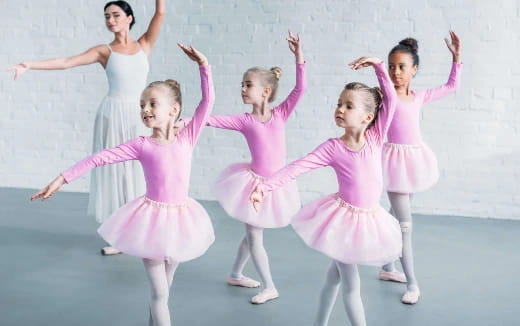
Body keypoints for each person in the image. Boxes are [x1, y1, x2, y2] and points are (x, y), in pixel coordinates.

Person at [31, 44, 214, 326]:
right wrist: (61, 178)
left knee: (163, 293)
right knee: (160, 292)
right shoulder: (141, 145)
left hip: (181, 221)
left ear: (173, 110)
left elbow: (207, 102)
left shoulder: (187, 137)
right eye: (142, 105)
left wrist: (204, 66)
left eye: (153, 103)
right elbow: (99, 158)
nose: (145, 109)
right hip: (151, 223)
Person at [250, 56, 402, 326]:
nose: (340, 109)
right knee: (351, 285)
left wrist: (379, 66)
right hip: (344, 221)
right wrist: (265, 186)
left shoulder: (376, 136)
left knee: (333, 279)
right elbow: (298, 167)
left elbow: (390, 98)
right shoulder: (333, 147)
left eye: (348, 105)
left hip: (370, 218)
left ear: (368, 117)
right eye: (338, 104)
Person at [9, 0, 166, 255]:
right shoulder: (104, 51)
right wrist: (28, 65)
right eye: (107, 16)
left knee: (140, 171)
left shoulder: (144, 44)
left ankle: (144, 231)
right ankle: (121, 237)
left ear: (129, 17)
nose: (111, 20)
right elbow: (66, 62)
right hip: (112, 115)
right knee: (117, 173)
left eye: (116, 15)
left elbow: (160, 12)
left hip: (139, 115)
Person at [206, 31, 305, 304]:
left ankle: (236, 273)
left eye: (247, 84)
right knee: (254, 234)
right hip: (254, 185)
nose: (242, 89)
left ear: (265, 91)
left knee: (253, 233)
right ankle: (269, 285)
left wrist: (298, 56)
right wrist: (186, 121)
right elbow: (212, 120)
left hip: (277, 184)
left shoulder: (281, 113)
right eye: (241, 84)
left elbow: (300, 90)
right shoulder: (244, 120)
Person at [379, 31, 462, 304]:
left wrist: (456, 58)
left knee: (395, 217)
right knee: (404, 225)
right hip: (394, 163)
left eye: (402, 67)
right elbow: (382, 87)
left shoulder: (418, 96)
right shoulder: (387, 96)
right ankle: (412, 284)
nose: (396, 72)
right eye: (391, 66)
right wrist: (376, 66)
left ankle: (388, 267)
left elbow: (451, 86)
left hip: (414, 161)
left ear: (414, 70)